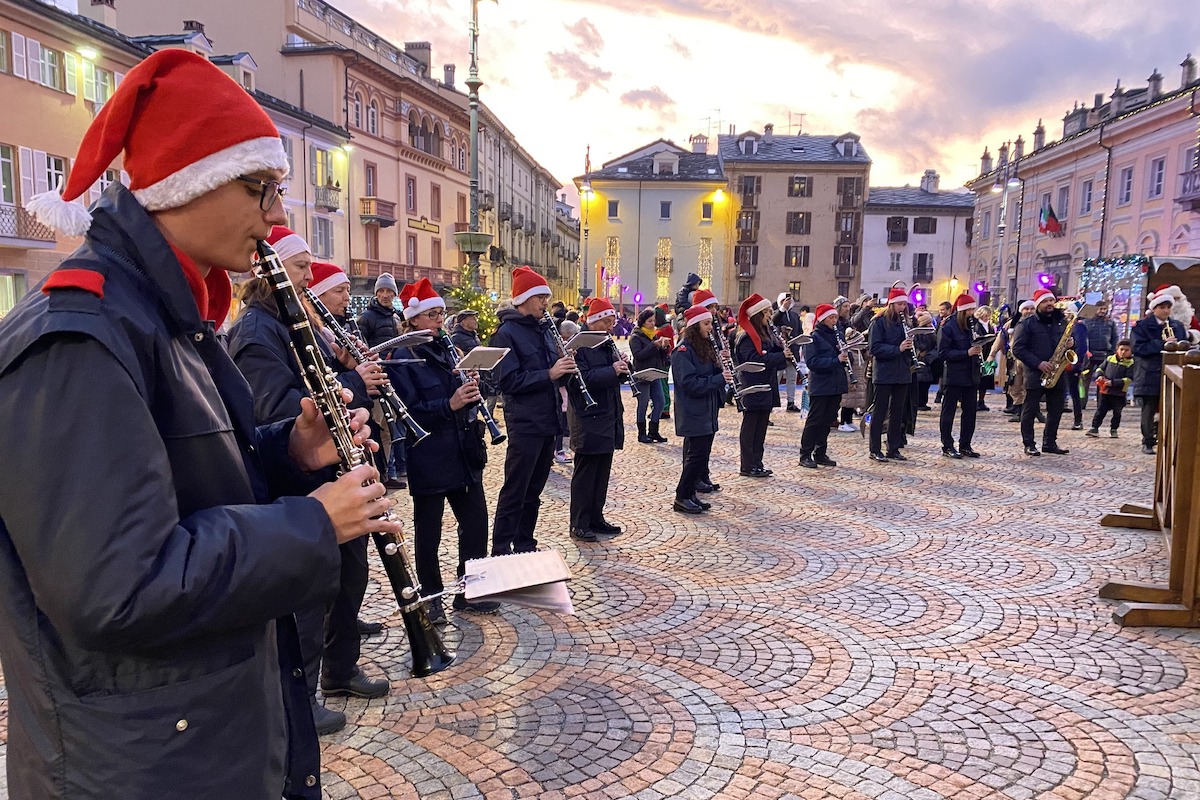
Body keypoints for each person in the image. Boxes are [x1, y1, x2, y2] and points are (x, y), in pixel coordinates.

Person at [0, 49, 399, 799]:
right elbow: (116, 586)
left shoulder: (169, 316)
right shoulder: (78, 339)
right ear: (191, 181)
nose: (277, 216)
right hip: (136, 766)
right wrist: (315, 524)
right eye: (263, 189)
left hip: (193, 738)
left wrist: (290, 454)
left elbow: (187, 488)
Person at [228, 233, 391, 735]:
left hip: (332, 474)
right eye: (300, 267)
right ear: (266, 271)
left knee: (349, 579)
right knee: (310, 594)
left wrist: (348, 390)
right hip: (303, 487)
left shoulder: (296, 326)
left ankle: (341, 669)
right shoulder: (258, 333)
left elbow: (320, 391)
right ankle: (300, 696)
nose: (308, 276)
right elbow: (273, 413)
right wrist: (350, 391)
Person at [389, 278, 499, 622]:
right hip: (429, 453)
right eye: (433, 314)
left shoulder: (448, 349)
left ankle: (469, 591)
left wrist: (470, 386)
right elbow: (407, 409)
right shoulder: (403, 356)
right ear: (414, 319)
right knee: (429, 532)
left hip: (463, 451)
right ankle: (432, 596)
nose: (440, 319)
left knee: (476, 523)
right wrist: (449, 403)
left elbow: (459, 400)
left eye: (442, 313)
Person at [489, 267, 575, 554]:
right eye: (540, 297)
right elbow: (508, 381)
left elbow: (553, 376)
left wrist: (566, 369)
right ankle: (501, 548)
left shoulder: (544, 330)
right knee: (516, 489)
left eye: (546, 298)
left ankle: (525, 542)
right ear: (524, 299)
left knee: (535, 490)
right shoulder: (506, 334)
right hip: (525, 422)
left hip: (548, 420)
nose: (544, 304)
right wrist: (549, 373)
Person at [566, 298, 629, 542]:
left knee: (602, 471)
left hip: (607, 413)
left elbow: (611, 378)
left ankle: (596, 517)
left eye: (612, 321)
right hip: (587, 417)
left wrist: (624, 369)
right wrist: (612, 370)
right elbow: (583, 378)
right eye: (607, 321)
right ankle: (579, 522)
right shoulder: (580, 345)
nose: (611, 326)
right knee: (586, 473)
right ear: (594, 321)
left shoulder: (605, 343)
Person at [671, 304, 733, 514]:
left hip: (707, 410)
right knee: (695, 456)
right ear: (694, 326)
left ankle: (690, 494)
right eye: (706, 324)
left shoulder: (703, 347)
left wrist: (721, 361)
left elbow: (708, 373)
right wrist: (718, 378)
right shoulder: (683, 350)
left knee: (702, 455)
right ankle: (681, 496)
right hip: (693, 411)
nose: (710, 328)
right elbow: (690, 383)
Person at [357, 272, 407, 489]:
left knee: (392, 425)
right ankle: (381, 473)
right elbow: (361, 346)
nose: (385, 295)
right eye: (382, 291)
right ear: (376, 293)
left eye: (389, 291)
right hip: (378, 377)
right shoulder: (367, 317)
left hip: (393, 377)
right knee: (380, 426)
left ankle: (389, 471)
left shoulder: (396, 317)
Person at [1012, 288, 1072, 456]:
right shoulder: (1027, 323)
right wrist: (1038, 363)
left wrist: (1070, 345)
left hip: (1057, 371)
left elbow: (1066, 344)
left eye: (1052, 301)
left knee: (1056, 409)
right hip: (1035, 372)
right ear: (1038, 304)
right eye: (1045, 301)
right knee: (1030, 409)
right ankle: (1029, 443)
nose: (1050, 304)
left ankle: (1049, 442)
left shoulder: (1061, 322)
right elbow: (1018, 349)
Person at [735, 294, 787, 477]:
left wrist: (783, 350)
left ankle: (757, 462)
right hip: (752, 386)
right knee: (751, 427)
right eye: (766, 313)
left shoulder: (767, 334)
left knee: (762, 427)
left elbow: (775, 361)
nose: (769, 316)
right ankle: (747, 465)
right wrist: (780, 356)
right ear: (757, 315)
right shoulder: (747, 338)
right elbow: (754, 360)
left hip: (767, 384)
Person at [1131, 289, 1188, 454]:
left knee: (1171, 406)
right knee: (1148, 408)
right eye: (1162, 307)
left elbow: (1184, 346)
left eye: (1168, 307)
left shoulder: (1176, 325)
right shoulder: (1142, 326)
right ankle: (1148, 441)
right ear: (1155, 308)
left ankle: (1168, 438)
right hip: (1148, 372)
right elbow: (1138, 348)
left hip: (1172, 371)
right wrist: (1162, 344)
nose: (1166, 310)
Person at [867, 287, 915, 462]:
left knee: (897, 411)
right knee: (880, 411)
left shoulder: (906, 323)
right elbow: (875, 348)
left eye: (904, 304)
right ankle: (875, 448)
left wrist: (911, 347)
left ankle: (893, 447)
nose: (902, 307)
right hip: (884, 372)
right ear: (891, 304)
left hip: (902, 371)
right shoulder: (878, 322)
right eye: (899, 304)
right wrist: (898, 348)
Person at [799, 303, 849, 468]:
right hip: (820, 385)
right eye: (831, 318)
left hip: (836, 384)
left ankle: (820, 452)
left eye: (835, 317)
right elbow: (812, 362)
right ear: (822, 319)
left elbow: (844, 359)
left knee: (828, 420)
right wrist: (836, 359)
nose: (834, 321)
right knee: (815, 420)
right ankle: (805, 454)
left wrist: (846, 356)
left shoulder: (838, 335)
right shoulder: (812, 337)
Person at [937, 293, 984, 459]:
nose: (972, 313)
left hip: (971, 374)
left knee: (970, 412)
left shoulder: (974, 324)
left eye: (973, 309)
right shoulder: (948, 326)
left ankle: (965, 445)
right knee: (948, 411)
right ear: (962, 311)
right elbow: (943, 353)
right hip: (954, 375)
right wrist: (966, 352)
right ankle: (947, 445)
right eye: (969, 310)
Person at [630, 307, 671, 443]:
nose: (652, 323)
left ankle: (653, 431)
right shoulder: (635, 337)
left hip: (654, 373)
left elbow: (660, 356)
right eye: (649, 321)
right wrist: (654, 345)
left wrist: (664, 347)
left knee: (660, 402)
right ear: (642, 323)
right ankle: (641, 433)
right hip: (642, 375)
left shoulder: (654, 336)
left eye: (653, 321)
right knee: (643, 403)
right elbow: (639, 356)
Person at [1086, 339, 1134, 438]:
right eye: (1121, 349)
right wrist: (1099, 375)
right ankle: (1094, 427)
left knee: (1117, 412)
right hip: (1105, 391)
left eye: (1126, 350)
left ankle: (1114, 429)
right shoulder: (1109, 359)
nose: (1123, 352)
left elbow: (1129, 379)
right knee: (1100, 410)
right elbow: (1100, 368)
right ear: (1117, 349)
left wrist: (1113, 383)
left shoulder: (1131, 363)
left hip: (1119, 393)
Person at [1083, 300, 1119, 409]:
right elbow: (1084, 338)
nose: (1102, 311)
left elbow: (1114, 338)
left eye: (1104, 309)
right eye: (1100, 309)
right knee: (1085, 380)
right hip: (1089, 354)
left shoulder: (1110, 323)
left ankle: (1101, 404)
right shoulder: (1087, 322)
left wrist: (1112, 352)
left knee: (1102, 380)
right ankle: (1082, 403)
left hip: (1104, 354)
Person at [773, 292, 804, 412]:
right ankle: (772, 402)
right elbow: (774, 321)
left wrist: (797, 343)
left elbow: (799, 332)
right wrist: (782, 309)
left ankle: (791, 402)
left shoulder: (795, 316)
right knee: (776, 378)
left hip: (793, 351)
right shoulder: (777, 314)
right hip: (780, 351)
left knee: (792, 378)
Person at [1064, 311, 1091, 430]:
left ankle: (1078, 420)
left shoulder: (1079, 326)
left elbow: (1081, 347)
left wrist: (1077, 364)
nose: (1066, 314)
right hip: (1061, 363)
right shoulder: (1062, 325)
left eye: (1068, 312)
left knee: (1074, 393)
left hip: (1071, 364)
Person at [973, 306, 997, 411]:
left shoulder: (990, 327)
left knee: (986, 378)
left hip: (988, 355)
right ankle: (974, 401)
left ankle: (981, 400)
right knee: (978, 379)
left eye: (988, 316)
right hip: (979, 354)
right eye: (985, 315)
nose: (987, 317)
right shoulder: (976, 326)